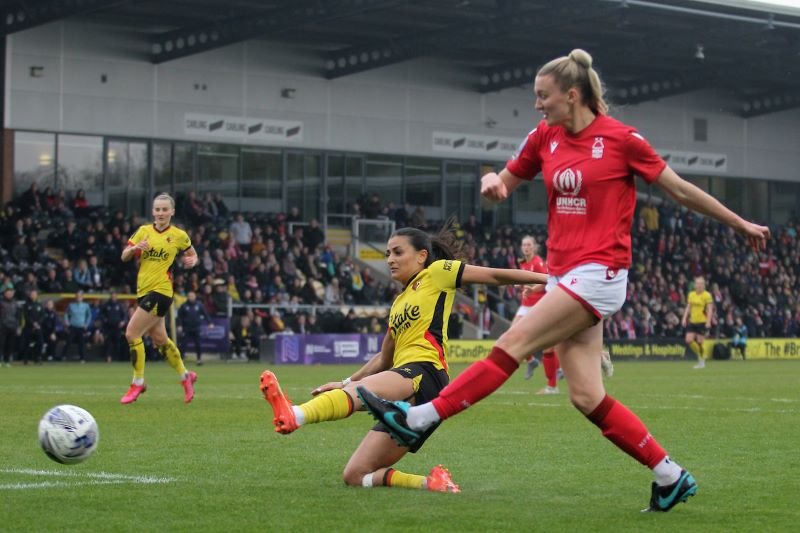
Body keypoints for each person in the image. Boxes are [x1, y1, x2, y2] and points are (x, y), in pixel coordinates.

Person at [357, 49, 769, 512]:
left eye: (543, 96)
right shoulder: (545, 136)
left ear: (572, 96)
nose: (537, 105)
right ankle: (669, 475)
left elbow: (679, 189)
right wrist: (494, 181)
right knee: (587, 396)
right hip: (565, 276)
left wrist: (741, 224)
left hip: (601, 275)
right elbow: (506, 179)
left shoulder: (622, 140)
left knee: (513, 342)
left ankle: (418, 417)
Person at [258, 225, 547, 493]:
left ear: (422, 256)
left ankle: (295, 415)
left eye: (398, 252)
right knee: (356, 476)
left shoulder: (437, 273)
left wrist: (547, 280)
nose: (390, 260)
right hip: (406, 380)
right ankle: (431, 483)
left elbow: (495, 276)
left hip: (426, 373)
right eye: (387, 254)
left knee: (362, 393)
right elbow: (384, 357)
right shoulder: (398, 303)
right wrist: (345, 381)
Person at [119, 193, 199, 404]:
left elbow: (192, 252)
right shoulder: (144, 231)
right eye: (157, 209)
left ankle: (137, 383)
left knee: (132, 333)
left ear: (172, 212)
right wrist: (135, 249)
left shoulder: (179, 235)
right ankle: (186, 377)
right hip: (143, 291)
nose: (161, 213)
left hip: (162, 291)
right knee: (160, 340)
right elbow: (124, 256)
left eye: (165, 210)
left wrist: (193, 260)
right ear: (153, 211)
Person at [681, 276, 714, 369]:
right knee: (688, 340)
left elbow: (710, 309)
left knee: (700, 342)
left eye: (701, 284)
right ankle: (701, 355)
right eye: (697, 283)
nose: (699, 285)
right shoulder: (691, 294)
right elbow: (688, 307)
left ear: (704, 285)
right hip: (692, 321)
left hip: (702, 322)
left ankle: (701, 361)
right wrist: (684, 318)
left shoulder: (707, 295)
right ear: (695, 285)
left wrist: (708, 321)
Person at [176, 290, 213, 365]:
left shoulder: (199, 305)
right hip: (187, 328)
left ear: (195, 297)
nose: (191, 297)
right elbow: (179, 317)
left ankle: (199, 359)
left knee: (198, 344)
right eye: (189, 296)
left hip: (196, 328)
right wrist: (179, 325)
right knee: (183, 344)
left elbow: (205, 314)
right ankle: (181, 360)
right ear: (187, 297)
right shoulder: (184, 306)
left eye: (192, 296)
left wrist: (210, 323)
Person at [61, 290, 91, 363]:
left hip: (81, 327)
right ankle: (63, 356)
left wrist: (86, 324)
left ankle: (82, 358)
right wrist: (67, 321)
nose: (78, 297)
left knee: (82, 342)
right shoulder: (71, 305)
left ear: (82, 297)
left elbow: (89, 315)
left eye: (80, 296)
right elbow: (66, 314)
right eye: (77, 296)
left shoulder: (86, 305)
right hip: (73, 326)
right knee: (68, 341)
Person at [100, 291, 127, 362]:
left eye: (115, 296)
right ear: (110, 296)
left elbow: (124, 315)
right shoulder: (106, 305)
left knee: (117, 342)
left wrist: (123, 321)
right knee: (108, 342)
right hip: (108, 327)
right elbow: (102, 315)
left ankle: (116, 358)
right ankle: (108, 357)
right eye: (112, 296)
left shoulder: (119, 305)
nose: (113, 297)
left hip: (117, 327)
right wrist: (105, 320)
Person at [20, 290, 45, 365]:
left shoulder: (40, 305)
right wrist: (33, 323)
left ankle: (37, 358)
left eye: (34, 294)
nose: (33, 295)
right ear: (30, 295)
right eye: (32, 294)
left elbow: (42, 315)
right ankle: (26, 359)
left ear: (37, 295)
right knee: (27, 343)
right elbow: (26, 316)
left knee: (40, 343)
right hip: (28, 327)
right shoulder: (26, 304)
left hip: (38, 327)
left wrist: (38, 323)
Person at [0, 288, 21, 367]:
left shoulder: (15, 303)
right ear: (5, 294)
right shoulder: (1, 302)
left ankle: (7, 361)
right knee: (1, 344)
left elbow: (18, 315)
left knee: (10, 345)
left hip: (12, 326)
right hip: (2, 326)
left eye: (11, 293)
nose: (9, 294)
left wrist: (18, 326)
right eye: (8, 293)